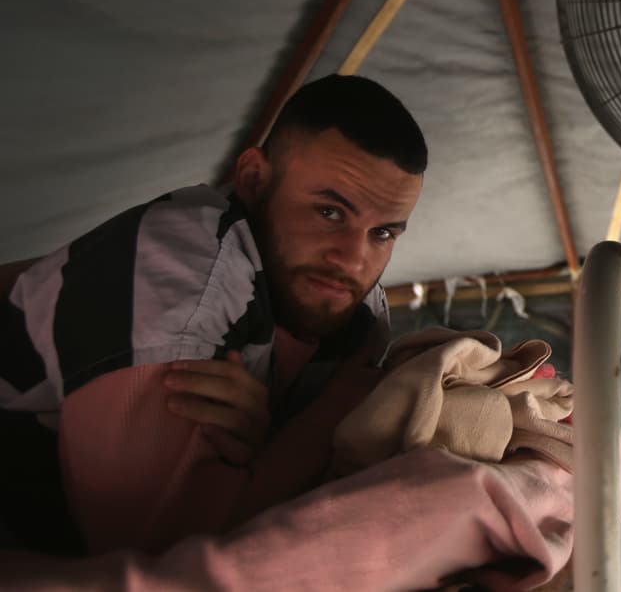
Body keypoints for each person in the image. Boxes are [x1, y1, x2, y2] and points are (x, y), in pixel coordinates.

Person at [0, 74, 428, 556]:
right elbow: (161, 557)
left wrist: (269, 440)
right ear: (253, 180)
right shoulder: (181, 283)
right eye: (329, 213)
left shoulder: (354, 307)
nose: (353, 260)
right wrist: (305, 431)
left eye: (383, 234)